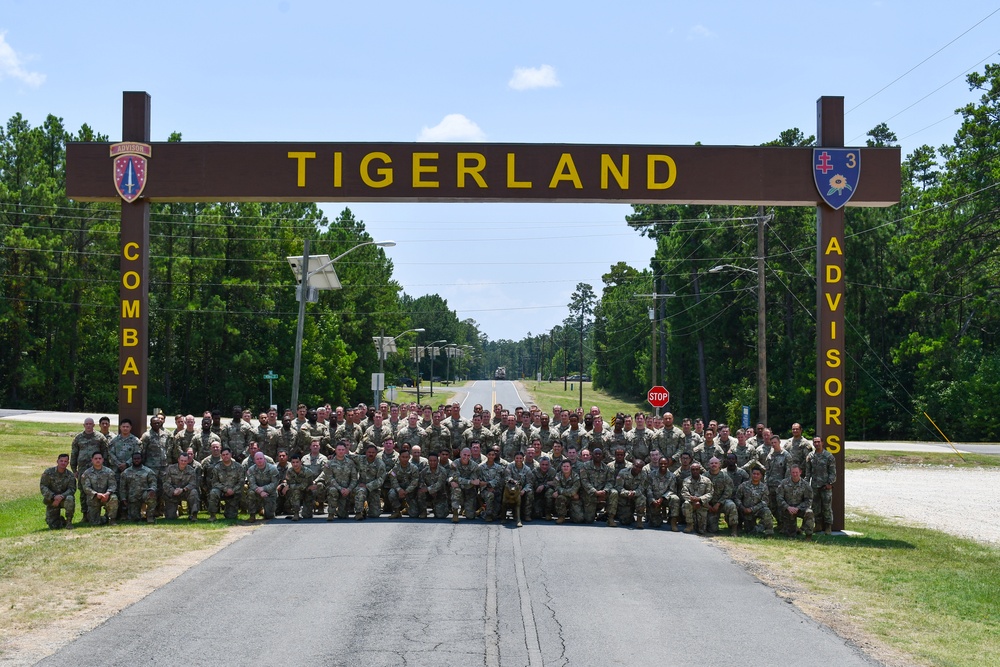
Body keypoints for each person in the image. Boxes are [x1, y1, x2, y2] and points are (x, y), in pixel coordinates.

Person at [579, 448, 618, 526]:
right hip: (589, 494)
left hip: (603, 493)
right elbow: (584, 481)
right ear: (592, 455)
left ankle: (610, 518)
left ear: (602, 456)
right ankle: (595, 514)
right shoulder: (585, 466)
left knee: (614, 492)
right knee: (589, 520)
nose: (597, 455)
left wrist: (605, 491)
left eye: (599, 454)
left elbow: (610, 481)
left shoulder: (607, 468)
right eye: (596, 454)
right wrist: (595, 492)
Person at [805, 437, 836, 534]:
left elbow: (833, 472)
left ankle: (828, 527)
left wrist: (829, 483)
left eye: (818, 442)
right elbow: (808, 472)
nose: (817, 444)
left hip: (825, 486)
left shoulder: (828, 456)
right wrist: (806, 484)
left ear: (822, 443)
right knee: (815, 507)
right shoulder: (810, 456)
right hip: (814, 486)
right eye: (815, 442)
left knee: (827, 507)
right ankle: (818, 525)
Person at [777, 465, 815, 539]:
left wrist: (798, 508)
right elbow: (779, 498)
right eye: (793, 472)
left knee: (809, 512)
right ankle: (794, 530)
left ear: (800, 472)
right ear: (790, 473)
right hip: (788, 510)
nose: (795, 474)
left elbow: (809, 500)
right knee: (790, 535)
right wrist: (787, 507)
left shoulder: (805, 485)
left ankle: (808, 535)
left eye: (796, 472)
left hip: (800, 509)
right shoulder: (784, 483)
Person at [70, 418, 108, 492]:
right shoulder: (78, 438)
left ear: (93, 425)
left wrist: (104, 467)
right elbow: (74, 453)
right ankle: (84, 504)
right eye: (87, 424)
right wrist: (74, 470)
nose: (88, 426)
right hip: (82, 468)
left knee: (96, 488)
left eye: (90, 424)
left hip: (96, 467)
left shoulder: (100, 437)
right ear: (84, 425)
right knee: (83, 489)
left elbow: (105, 453)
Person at [81, 452, 119, 526]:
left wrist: (107, 493)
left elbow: (113, 485)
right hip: (94, 498)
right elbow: (86, 487)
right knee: (94, 523)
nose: (98, 460)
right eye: (95, 458)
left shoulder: (109, 472)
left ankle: (112, 520)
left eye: (99, 458)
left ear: (102, 460)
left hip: (107, 497)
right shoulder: (87, 473)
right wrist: (96, 494)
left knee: (114, 498)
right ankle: (104, 518)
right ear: (92, 460)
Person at [324, 443, 359, 521]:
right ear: (335, 450)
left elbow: (354, 479)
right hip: (335, 488)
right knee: (332, 490)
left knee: (343, 516)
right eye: (339, 450)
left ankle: (357, 511)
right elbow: (330, 478)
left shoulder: (350, 463)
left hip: (347, 490)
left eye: (343, 450)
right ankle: (331, 513)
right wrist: (340, 488)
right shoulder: (329, 463)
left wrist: (348, 489)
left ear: (345, 450)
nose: (341, 451)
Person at [40, 453, 76, 529]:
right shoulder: (48, 472)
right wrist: (53, 497)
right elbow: (43, 486)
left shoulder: (70, 475)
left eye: (65, 461)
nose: (63, 463)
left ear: (68, 463)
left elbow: (72, 489)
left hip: (64, 500)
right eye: (61, 461)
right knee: (53, 526)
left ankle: (69, 522)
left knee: (70, 499)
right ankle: (61, 521)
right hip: (52, 500)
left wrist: (61, 496)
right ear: (57, 461)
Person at [209, 448, 245, 522]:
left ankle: (230, 509)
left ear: (231, 455)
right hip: (221, 491)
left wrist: (233, 490)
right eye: (223, 455)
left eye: (227, 454)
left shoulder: (239, 467)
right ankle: (212, 515)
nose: (225, 456)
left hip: (234, 492)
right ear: (221, 456)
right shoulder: (217, 467)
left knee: (231, 516)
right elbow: (214, 482)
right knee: (213, 492)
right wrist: (225, 489)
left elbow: (241, 482)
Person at [735, 468, 774, 536]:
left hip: (758, 510)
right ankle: (755, 529)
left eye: (758, 474)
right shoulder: (744, 485)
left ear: (761, 476)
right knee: (749, 530)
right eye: (754, 474)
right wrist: (743, 508)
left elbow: (765, 502)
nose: (755, 476)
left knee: (767, 511)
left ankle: (769, 532)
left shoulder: (764, 487)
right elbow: (737, 498)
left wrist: (752, 509)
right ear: (751, 474)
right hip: (745, 511)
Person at [705, 457, 738, 536]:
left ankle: (734, 530)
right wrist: (707, 505)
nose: (714, 465)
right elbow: (701, 492)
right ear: (708, 465)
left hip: (722, 503)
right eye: (712, 463)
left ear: (719, 465)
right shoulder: (704, 476)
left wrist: (719, 503)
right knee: (712, 530)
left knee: (731, 505)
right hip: (710, 505)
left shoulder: (725, 476)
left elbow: (728, 492)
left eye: (716, 463)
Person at [163, 451, 199, 521]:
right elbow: (166, 483)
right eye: (181, 460)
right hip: (173, 493)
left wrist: (183, 489)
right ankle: (176, 510)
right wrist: (173, 491)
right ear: (178, 460)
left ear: (188, 461)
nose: (183, 462)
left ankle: (193, 514)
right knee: (170, 517)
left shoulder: (191, 471)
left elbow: (193, 484)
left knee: (194, 492)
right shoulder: (170, 469)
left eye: (185, 461)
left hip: (185, 492)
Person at [284, 453, 321, 521]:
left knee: (307, 516)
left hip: (307, 493)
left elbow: (304, 486)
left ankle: (312, 506)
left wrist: (290, 486)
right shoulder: (289, 471)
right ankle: (296, 513)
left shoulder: (308, 472)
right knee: (295, 491)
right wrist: (289, 486)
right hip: (296, 493)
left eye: (297, 462)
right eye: (293, 462)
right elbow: (290, 484)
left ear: (301, 462)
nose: (295, 464)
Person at [246, 451, 281, 522]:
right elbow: (252, 484)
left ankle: (265, 511)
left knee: (269, 517)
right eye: (257, 459)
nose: (259, 461)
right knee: (250, 492)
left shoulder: (273, 469)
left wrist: (263, 488)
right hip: (256, 492)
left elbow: (274, 484)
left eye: (261, 458)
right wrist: (260, 491)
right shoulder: (251, 470)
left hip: (269, 493)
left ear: (264, 459)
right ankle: (252, 515)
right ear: (254, 460)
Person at [646, 456, 679, 531]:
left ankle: (673, 522)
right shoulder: (651, 474)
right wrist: (652, 500)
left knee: (675, 498)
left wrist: (662, 498)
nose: (663, 465)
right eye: (661, 463)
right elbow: (648, 488)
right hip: (654, 499)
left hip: (665, 499)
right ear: (658, 464)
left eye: (665, 463)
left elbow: (672, 490)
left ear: (668, 464)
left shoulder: (672, 476)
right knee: (655, 524)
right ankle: (653, 517)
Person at [355, 444, 387, 520]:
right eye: (369, 452)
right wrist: (332, 456)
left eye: (373, 452)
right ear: (366, 452)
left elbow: (381, 480)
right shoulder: (360, 459)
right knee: (361, 491)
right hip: (361, 487)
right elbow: (346, 456)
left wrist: (367, 486)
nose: (371, 454)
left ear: (376, 453)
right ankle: (359, 512)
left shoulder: (380, 464)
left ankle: (366, 508)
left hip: (374, 489)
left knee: (375, 514)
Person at [449, 447, 481, 523]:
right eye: (464, 455)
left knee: (470, 517)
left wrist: (466, 482)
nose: (466, 457)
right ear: (460, 454)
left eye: (468, 455)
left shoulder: (475, 466)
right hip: (459, 488)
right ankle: (455, 511)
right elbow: (456, 477)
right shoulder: (454, 464)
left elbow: (474, 481)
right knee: (456, 488)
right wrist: (469, 482)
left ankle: (466, 509)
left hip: (469, 490)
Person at [681, 462, 713, 534]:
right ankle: (689, 524)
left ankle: (699, 525)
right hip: (690, 504)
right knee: (686, 503)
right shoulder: (686, 480)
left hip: (703, 505)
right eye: (693, 469)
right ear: (690, 470)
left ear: (699, 470)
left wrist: (700, 500)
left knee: (701, 531)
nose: (695, 471)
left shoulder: (706, 480)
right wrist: (693, 500)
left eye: (697, 469)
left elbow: (710, 493)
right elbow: (684, 492)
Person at [616, 458, 648, 528]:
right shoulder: (623, 472)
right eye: (636, 466)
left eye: (640, 468)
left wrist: (634, 493)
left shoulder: (644, 474)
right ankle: (629, 515)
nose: (638, 469)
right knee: (625, 522)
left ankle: (639, 520)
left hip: (636, 495)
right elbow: (618, 487)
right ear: (632, 465)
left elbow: (642, 488)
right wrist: (627, 493)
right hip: (624, 497)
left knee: (642, 498)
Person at [418, 451, 451, 519]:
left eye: (434, 461)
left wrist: (429, 489)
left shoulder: (443, 471)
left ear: (437, 461)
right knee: (420, 492)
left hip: (440, 494)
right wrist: (426, 489)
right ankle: (423, 511)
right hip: (428, 494)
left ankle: (439, 507)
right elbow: (421, 482)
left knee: (440, 516)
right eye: (430, 461)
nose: (432, 462)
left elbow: (439, 484)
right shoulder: (424, 471)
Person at [552, 460, 582, 524]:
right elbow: (557, 487)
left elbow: (573, 491)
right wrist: (569, 493)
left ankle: (571, 513)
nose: (566, 468)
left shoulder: (575, 476)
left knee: (579, 519)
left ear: (571, 467)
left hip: (574, 499)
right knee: (560, 497)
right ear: (561, 467)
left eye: (567, 466)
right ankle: (561, 516)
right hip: (567, 497)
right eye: (564, 466)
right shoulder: (558, 476)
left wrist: (560, 491)